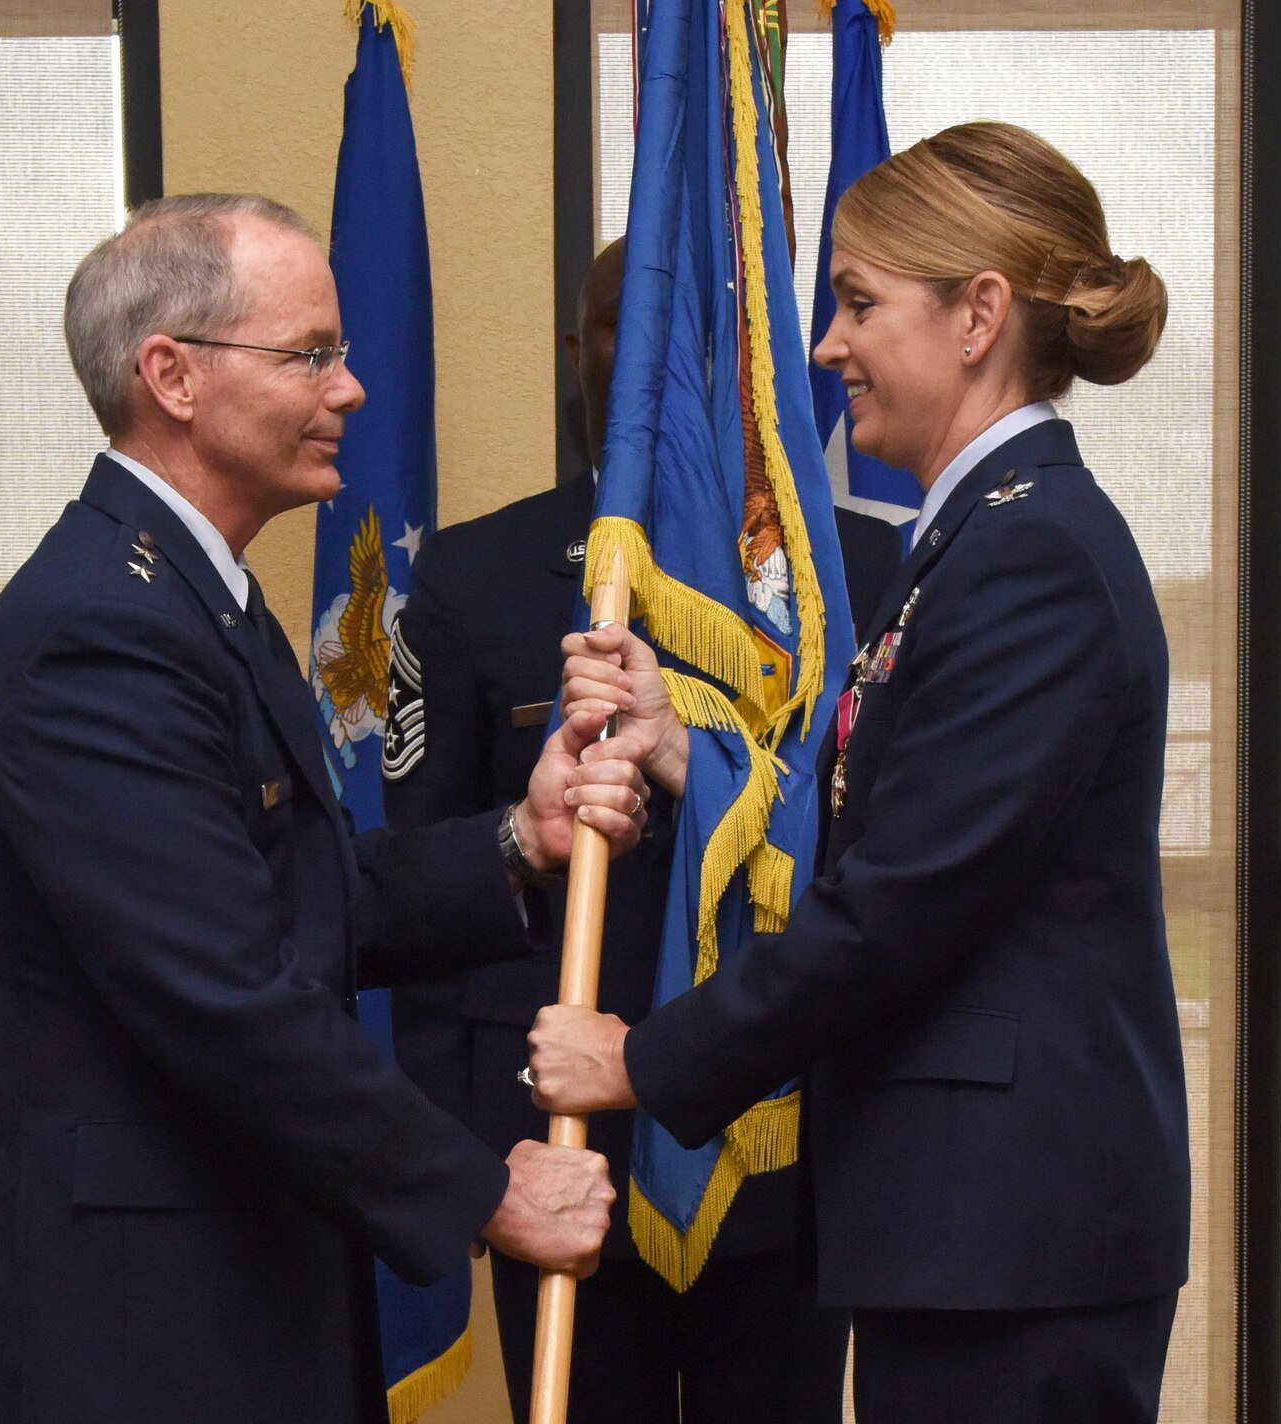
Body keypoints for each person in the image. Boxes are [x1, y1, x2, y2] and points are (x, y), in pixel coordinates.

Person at [0, 193, 649, 1424]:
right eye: (310, 354)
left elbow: (292, 897)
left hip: (239, 1277)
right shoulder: (98, 639)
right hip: (149, 1327)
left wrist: (515, 840)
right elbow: (226, 994)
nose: (351, 389)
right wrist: (487, 1188)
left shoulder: (189, 599)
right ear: (171, 373)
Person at [529, 122, 1192, 1424]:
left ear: (978, 315)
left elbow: (904, 905)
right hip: (969, 1227)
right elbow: (908, 836)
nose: (825, 349)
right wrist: (686, 753)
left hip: (1010, 1237)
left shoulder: (1030, 559)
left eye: (855, 302)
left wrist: (644, 1061)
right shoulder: (980, 547)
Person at [379, 239, 897, 1423]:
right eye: (621, 328)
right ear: (575, 356)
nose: (653, 360)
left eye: (691, 335)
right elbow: (421, 895)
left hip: (779, 1147)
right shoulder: (476, 575)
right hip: (557, 1152)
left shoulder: (850, 577)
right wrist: (464, 1161)